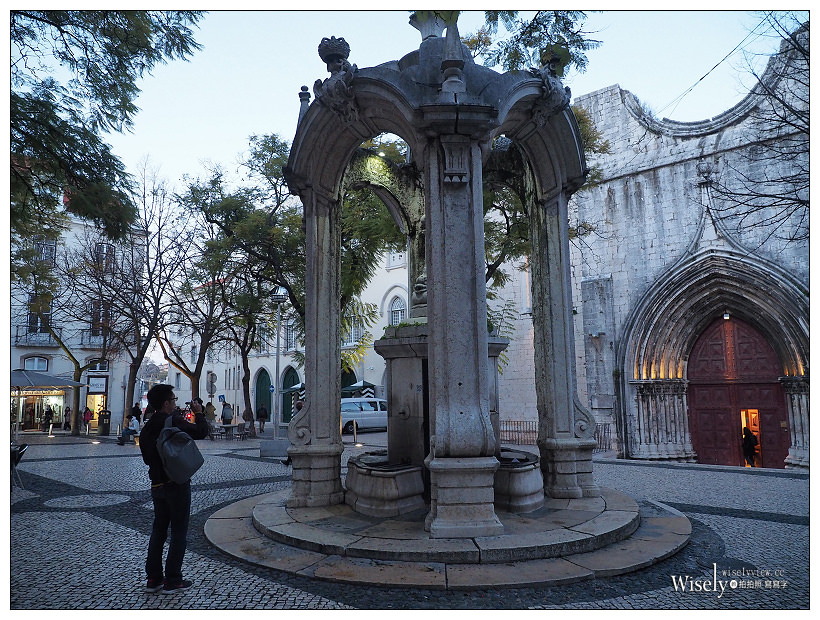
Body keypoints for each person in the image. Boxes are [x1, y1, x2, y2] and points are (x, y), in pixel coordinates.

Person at [139, 383, 208, 594]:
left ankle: (154, 578)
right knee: (179, 532)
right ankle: (173, 579)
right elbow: (201, 432)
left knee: (158, 530)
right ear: (166, 403)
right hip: (176, 483)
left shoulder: (148, 426)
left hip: (156, 484)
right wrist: (199, 413)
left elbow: (147, 458)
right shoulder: (172, 421)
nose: (175, 404)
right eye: (174, 400)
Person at [280, 400, 303, 466]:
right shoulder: (300, 414)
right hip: (298, 433)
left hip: (297, 433)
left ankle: (289, 461)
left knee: (293, 446)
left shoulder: (296, 414)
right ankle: (289, 460)